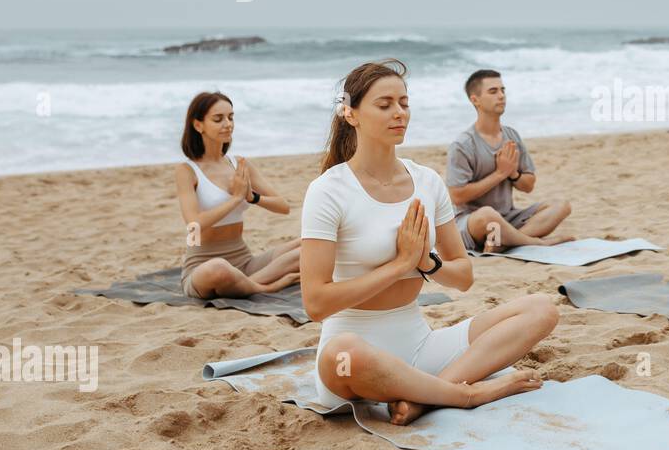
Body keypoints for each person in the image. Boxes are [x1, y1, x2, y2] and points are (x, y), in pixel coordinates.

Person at [300, 60, 558, 426]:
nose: (399, 113)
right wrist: (399, 266)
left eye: (404, 103)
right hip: (355, 355)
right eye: (384, 104)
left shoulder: (426, 181)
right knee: (344, 353)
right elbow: (315, 303)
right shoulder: (328, 190)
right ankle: (465, 394)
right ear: (351, 114)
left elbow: (463, 277)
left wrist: (427, 265)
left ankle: (428, 395)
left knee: (541, 309)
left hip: (420, 346)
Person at [174, 92, 301, 299]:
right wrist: (235, 199)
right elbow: (193, 225)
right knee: (219, 269)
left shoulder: (239, 164)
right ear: (198, 125)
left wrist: (252, 198)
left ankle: (247, 283)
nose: (227, 124)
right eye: (218, 119)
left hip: (245, 261)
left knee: (307, 246)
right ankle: (265, 286)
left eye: (231, 117)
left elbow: (283, 207)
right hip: (204, 265)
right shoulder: (187, 171)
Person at [445, 69, 572, 251]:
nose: (501, 96)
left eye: (503, 90)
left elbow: (528, 186)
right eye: (493, 91)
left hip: (508, 218)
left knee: (561, 205)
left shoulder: (511, 136)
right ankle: (535, 243)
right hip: (473, 222)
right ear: (475, 100)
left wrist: (513, 174)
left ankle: (503, 241)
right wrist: (499, 174)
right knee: (489, 215)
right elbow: (457, 196)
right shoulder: (463, 144)